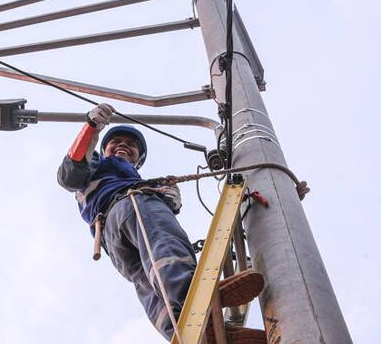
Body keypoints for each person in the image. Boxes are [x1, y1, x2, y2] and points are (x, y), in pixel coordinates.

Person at [57, 104, 267, 343]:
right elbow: (69, 174)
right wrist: (91, 127)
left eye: (131, 144)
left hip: (112, 241)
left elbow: (170, 206)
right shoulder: (96, 164)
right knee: (163, 243)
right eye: (116, 141)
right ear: (103, 149)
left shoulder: (139, 181)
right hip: (130, 207)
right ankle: (194, 294)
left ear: (138, 159)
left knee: (149, 284)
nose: (124, 145)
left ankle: (195, 333)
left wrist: (168, 196)